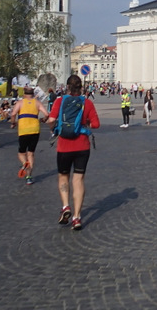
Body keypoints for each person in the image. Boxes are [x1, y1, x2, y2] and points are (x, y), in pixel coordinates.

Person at [46, 74, 100, 231]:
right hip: (82, 146)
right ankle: (77, 217)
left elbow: (50, 120)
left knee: (63, 177)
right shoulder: (87, 103)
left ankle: (65, 206)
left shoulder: (60, 101)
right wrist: (86, 122)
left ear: (67, 87)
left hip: (64, 146)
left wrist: (54, 130)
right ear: (81, 87)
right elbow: (96, 124)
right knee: (78, 180)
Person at [10, 86, 48, 184]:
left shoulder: (20, 102)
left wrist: (13, 123)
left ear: (24, 94)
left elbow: (13, 114)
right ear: (33, 94)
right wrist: (43, 120)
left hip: (23, 130)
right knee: (31, 153)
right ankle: (29, 177)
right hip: (35, 129)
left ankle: (24, 163)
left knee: (21, 152)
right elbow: (47, 114)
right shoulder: (37, 103)